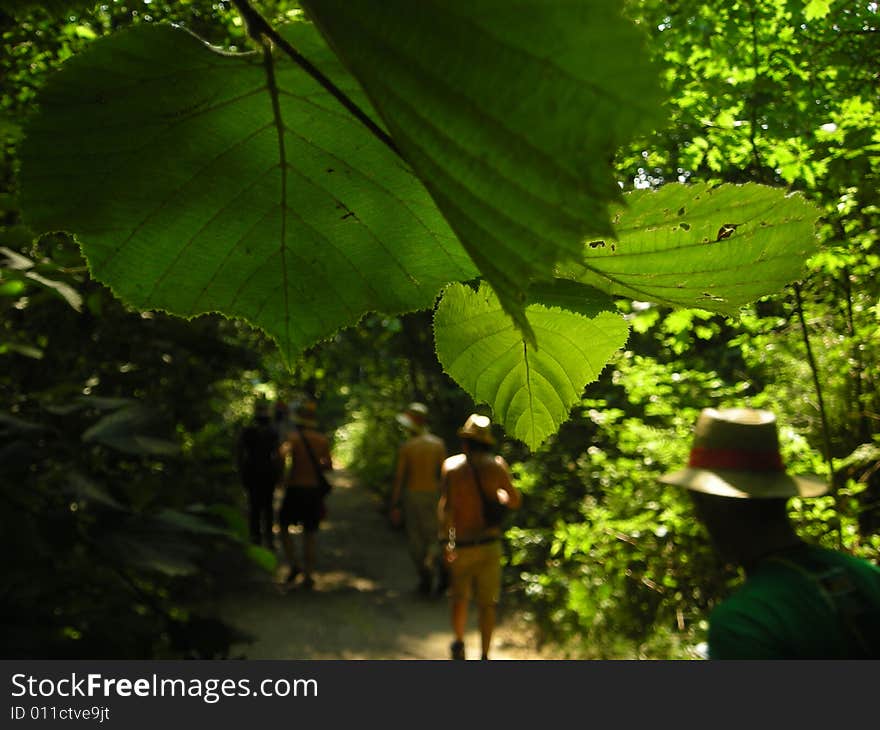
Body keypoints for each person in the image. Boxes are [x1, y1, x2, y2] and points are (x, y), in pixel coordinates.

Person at [660, 407, 880, 659]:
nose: (699, 518)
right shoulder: (865, 576)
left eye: (698, 504)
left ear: (716, 506)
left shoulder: (743, 622)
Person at [439, 413, 522, 660]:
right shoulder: (497, 466)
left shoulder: (451, 468)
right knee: (488, 604)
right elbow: (515, 501)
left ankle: (459, 642)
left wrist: (446, 541)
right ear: (486, 441)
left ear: (465, 442)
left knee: (459, 598)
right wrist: (500, 499)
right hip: (489, 545)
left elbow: (446, 507)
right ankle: (485, 655)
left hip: (461, 545)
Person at [389, 402, 447, 595]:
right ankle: (432, 559)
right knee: (434, 535)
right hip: (433, 495)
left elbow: (400, 477)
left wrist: (395, 503)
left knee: (415, 538)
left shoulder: (407, 447)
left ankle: (425, 576)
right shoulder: (438, 444)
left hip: (412, 495)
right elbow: (444, 475)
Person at [279, 400, 333, 589]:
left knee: (284, 526)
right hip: (313, 491)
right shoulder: (322, 440)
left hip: (295, 488)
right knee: (309, 532)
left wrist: (283, 476)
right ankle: (309, 574)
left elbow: (281, 456)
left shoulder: (292, 438)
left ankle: (294, 564)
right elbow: (328, 466)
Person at [235, 399, 282, 549]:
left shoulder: (247, 431)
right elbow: (278, 455)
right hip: (266, 472)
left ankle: (257, 538)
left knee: (255, 506)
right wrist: (280, 474)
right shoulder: (272, 431)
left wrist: (241, 471)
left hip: (253, 472)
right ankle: (266, 539)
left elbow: (239, 453)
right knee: (266, 506)